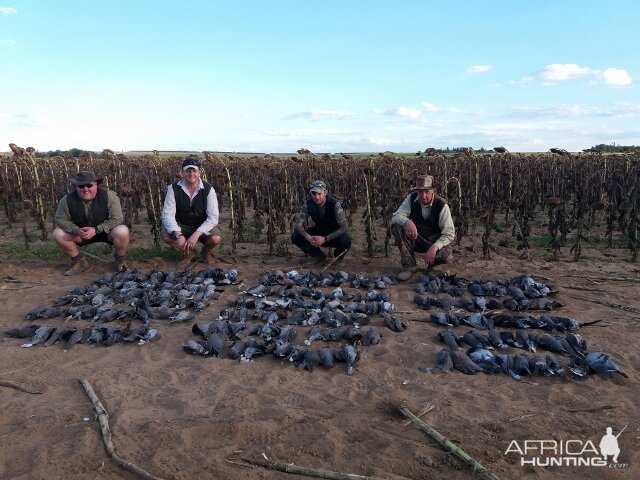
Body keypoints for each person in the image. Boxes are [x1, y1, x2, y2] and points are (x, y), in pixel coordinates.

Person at [53, 171, 130, 275]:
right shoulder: (67, 200)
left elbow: (117, 218)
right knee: (58, 233)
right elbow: (60, 219)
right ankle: (79, 262)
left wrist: (97, 229)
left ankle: (120, 260)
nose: (85, 189)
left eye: (89, 185)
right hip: (81, 233)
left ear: (96, 185)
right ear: (77, 187)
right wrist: (76, 230)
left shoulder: (109, 196)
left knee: (122, 231)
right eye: (81, 186)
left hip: (106, 233)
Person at [391, 174, 455, 281]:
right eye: (420, 192)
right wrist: (407, 222)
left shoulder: (441, 205)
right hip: (416, 239)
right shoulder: (411, 199)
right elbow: (395, 216)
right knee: (397, 226)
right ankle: (409, 266)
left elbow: (449, 233)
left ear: (433, 191)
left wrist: (435, 247)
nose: (423, 196)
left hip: (433, 241)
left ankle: (434, 268)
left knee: (446, 253)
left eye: (427, 192)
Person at [161, 156, 221, 264]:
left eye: (194, 171)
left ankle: (205, 251)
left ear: (199, 173)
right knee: (166, 235)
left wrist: (196, 234)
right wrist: (178, 235)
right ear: (182, 173)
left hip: (201, 226)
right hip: (181, 226)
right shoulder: (172, 189)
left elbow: (213, 217)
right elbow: (167, 215)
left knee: (215, 237)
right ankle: (189, 251)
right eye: (188, 171)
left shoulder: (208, 189)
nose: (191, 174)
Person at [291, 180, 351, 266]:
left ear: (325, 192)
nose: (317, 197)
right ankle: (318, 256)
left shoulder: (334, 204)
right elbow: (298, 225)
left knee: (346, 240)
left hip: (333, 235)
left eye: (319, 194)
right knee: (296, 236)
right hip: (319, 232)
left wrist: (325, 239)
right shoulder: (308, 204)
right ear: (310, 194)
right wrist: (308, 237)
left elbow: (344, 227)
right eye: (314, 194)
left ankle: (338, 258)